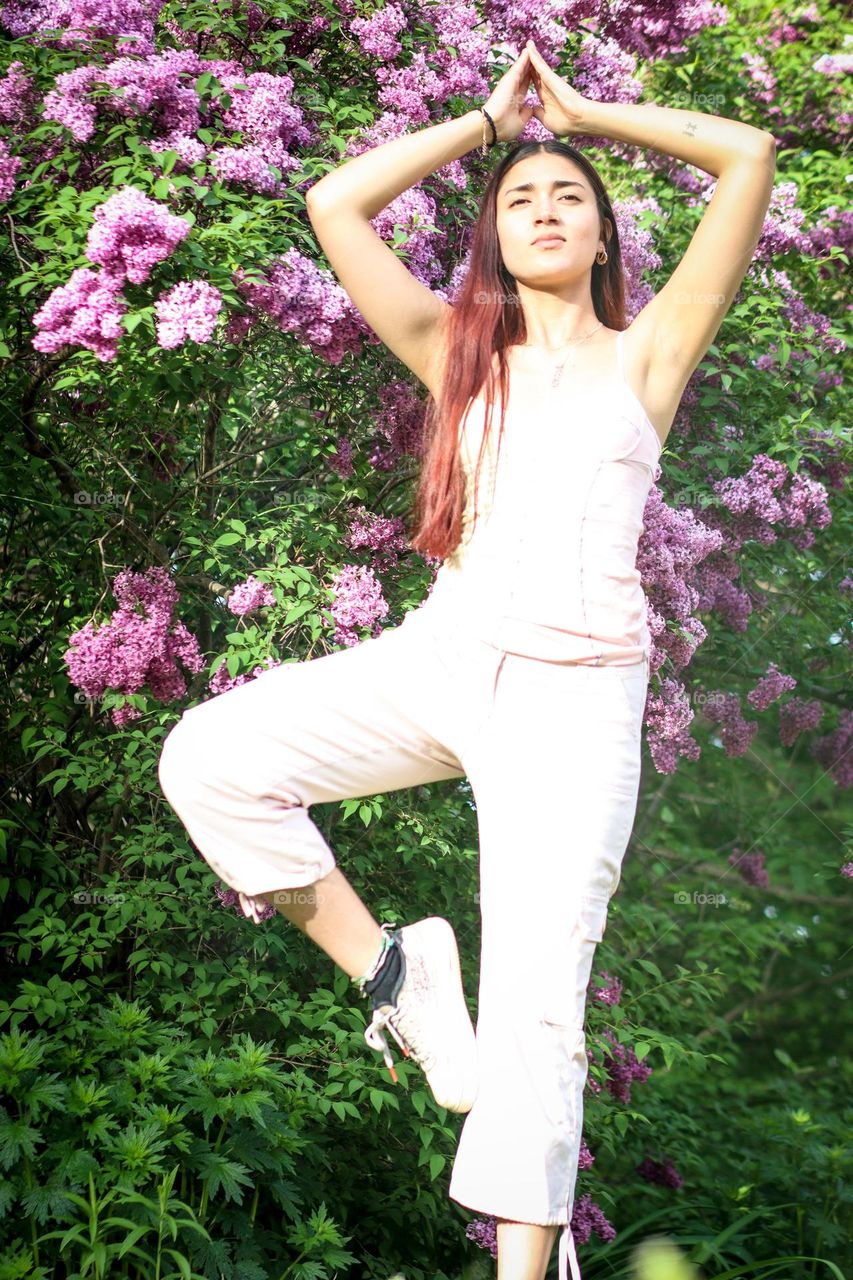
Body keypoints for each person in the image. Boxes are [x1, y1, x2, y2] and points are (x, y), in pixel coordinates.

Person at [158, 38, 776, 1280]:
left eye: (570, 199)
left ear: (602, 238)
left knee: (540, 1004)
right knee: (211, 755)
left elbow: (748, 152)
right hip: (441, 655)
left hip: (575, 693)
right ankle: (396, 972)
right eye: (521, 201)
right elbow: (334, 202)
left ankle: (521, 1268)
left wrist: (590, 112)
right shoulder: (455, 352)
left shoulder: (647, 355)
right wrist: (485, 131)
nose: (546, 209)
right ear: (492, 238)